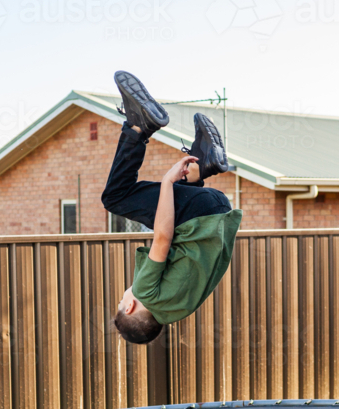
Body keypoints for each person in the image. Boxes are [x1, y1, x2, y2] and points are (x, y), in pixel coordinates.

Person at [101, 71, 243, 344]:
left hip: (218, 211)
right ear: (129, 307)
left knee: (177, 226)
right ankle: (139, 126)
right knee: (115, 197)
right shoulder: (145, 292)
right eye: (121, 300)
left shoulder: (178, 308)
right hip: (198, 213)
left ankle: (203, 162)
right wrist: (167, 181)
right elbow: (163, 236)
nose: (125, 295)